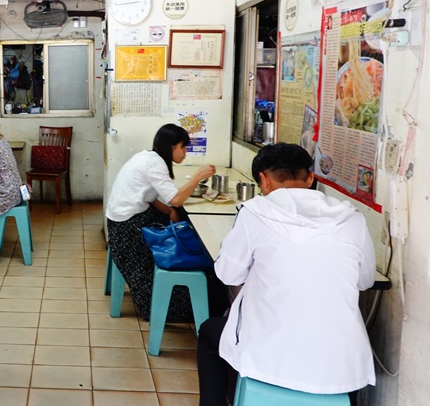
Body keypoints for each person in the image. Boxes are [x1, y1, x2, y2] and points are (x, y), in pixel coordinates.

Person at [197, 143, 376, 405]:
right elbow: (365, 281)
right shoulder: (353, 219)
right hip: (338, 366)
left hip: (269, 360)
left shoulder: (254, 214)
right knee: (337, 366)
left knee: (210, 332)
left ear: (263, 180)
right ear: (311, 177)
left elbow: (228, 274)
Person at [105, 123, 215, 321]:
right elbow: (175, 198)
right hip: (126, 228)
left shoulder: (148, 157)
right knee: (183, 225)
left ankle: (195, 268)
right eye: (183, 147)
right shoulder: (154, 163)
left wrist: (169, 210)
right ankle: (187, 288)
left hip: (125, 218)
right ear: (171, 146)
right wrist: (198, 176)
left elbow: (149, 197)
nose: (185, 153)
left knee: (178, 217)